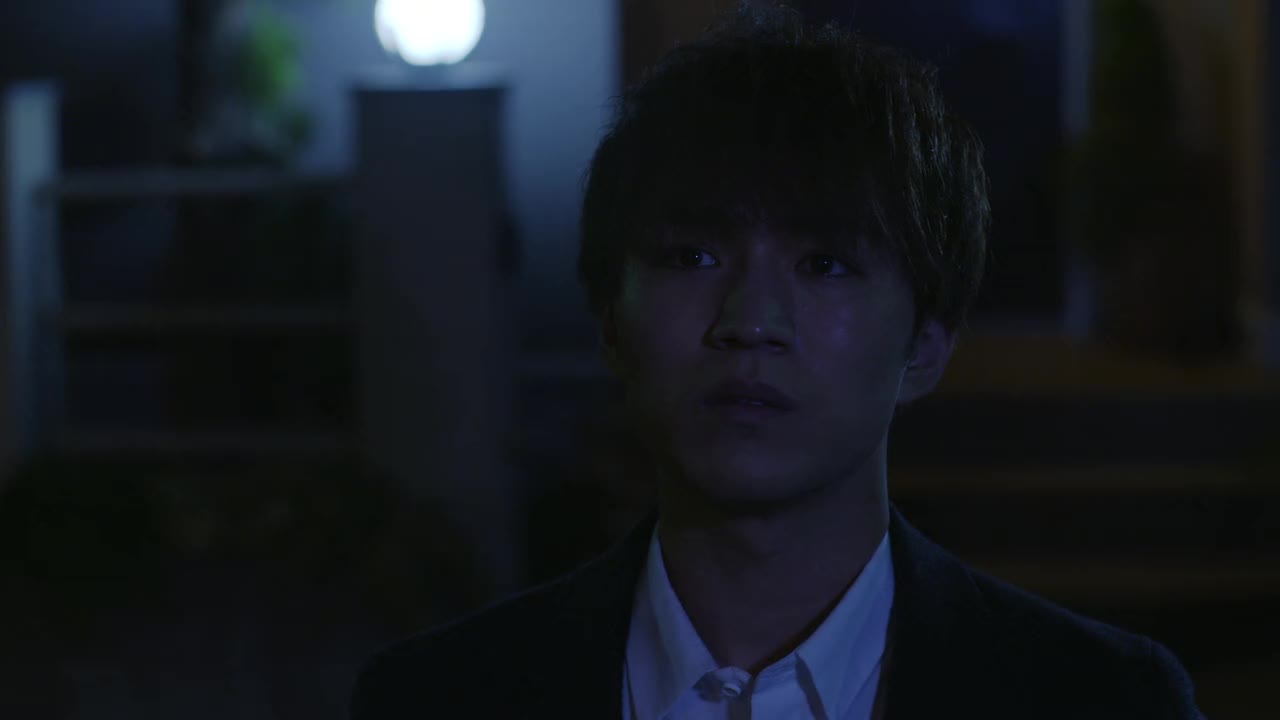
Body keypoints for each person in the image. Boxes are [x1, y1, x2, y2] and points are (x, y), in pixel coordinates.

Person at [350, 4, 1205, 718]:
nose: (751, 321)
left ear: (927, 343)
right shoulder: (437, 698)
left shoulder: (1106, 700)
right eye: (692, 256)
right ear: (610, 321)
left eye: (824, 264)